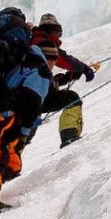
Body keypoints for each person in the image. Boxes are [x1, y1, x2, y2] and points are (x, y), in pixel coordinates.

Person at [0, 7, 53, 219]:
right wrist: (25, 130)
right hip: (8, 111)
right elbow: (33, 96)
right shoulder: (28, 55)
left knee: (10, 161)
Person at [29, 13, 99, 148]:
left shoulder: (31, 42)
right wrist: (83, 68)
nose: (58, 37)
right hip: (32, 98)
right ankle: (69, 136)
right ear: (52, 31)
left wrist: (65, 78)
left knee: (21, 133)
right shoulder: (42, 43)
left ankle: (6, 165)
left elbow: (39, 78)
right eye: (57, 33)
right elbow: (64, 59)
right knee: (71, 99)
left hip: (25, 96)